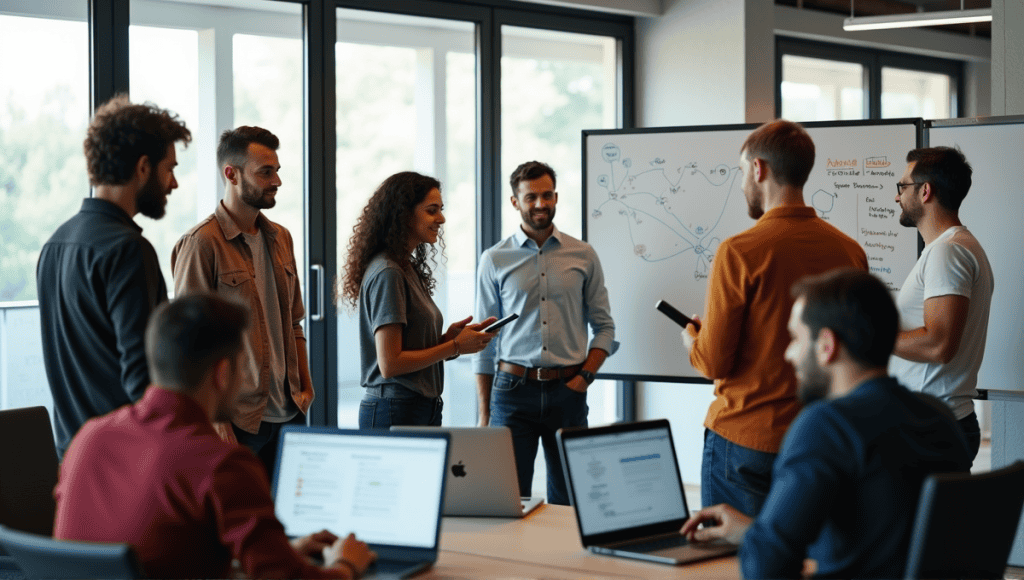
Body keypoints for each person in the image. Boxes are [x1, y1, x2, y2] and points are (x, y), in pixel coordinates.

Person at [53, 293, 376, 579]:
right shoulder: (221, 464)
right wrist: (345, 565)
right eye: (242, 366)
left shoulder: (89, 438)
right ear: (222, 372)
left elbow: (159, 554)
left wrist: (280, 552)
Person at [681, 269, 971, 579]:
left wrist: (761, 540)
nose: (789, 355)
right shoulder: (939, 418)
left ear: (827, 345)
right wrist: (755, 530)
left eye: (795, 338)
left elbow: (765, 566)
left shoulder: (827, 426)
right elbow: (880, 542)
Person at [681, 119, 868, 517]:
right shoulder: (850, 252)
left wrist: (693, 343)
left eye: (741, 172)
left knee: (731, 564)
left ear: (758, 169)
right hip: (818, 438)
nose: (743, 184)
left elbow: (714, 362)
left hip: (745, 437)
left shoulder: (739, 251)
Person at [37, 94, 191, 457]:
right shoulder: (128, 250)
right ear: (142, 168)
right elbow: (145, 380)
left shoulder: (54, 245)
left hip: (74, 460)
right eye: (170, 168)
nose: (174, 184)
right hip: (126, 460)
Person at [475, 160, 617, 506]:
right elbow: (483, 342)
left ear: (556, 197)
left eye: (547, 195)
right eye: (531, 197)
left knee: (571, 500)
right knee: (508, 497)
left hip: (568, 391)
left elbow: (605, 327)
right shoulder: (494, 259)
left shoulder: (583, 255)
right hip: (512, 392)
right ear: (515, 202)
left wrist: (584, 377)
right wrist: (484, 413)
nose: (540, 204)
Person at [172, 126, 311, 477]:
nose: (277, 180)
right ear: (231, 174)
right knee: (239, 527)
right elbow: (190, 342)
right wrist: (215, 421)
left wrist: (306, 387)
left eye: (277, 170)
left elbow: (294, 322)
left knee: (288, 526)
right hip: (237, 421)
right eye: (265, 172)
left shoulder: (282, 238)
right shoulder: (201, 243)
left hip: (291, 414)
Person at [339, 171, 494, 429]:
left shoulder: (404, 267)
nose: (441, 219)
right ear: (404, 214)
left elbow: (409, 350)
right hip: (395, 410)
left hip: (417, 407)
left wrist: (448, 339)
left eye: (441, 209)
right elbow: (390, 364)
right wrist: (454, 346)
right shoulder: (388, 271)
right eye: (432, 210)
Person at [890, 146, 993, 466]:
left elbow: (938, 345)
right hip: (932, 424)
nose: (897, 197)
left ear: (925, 191)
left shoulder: (948, 252)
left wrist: (868, 336)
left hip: (931, 428)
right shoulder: (952, 248)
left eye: (902, 187)